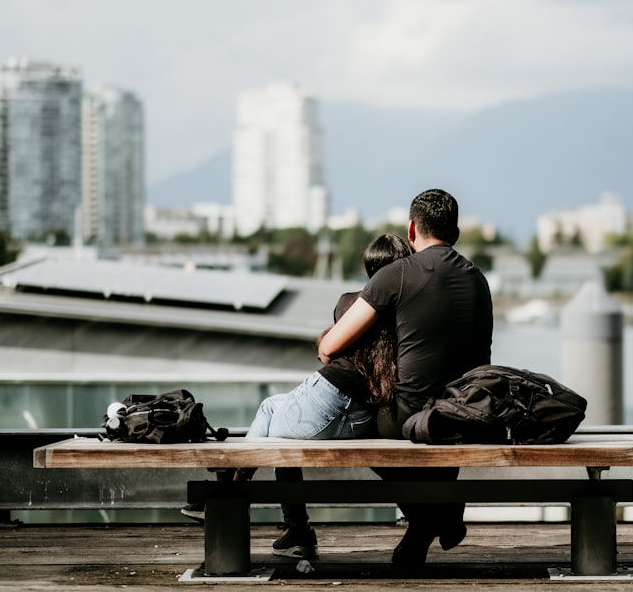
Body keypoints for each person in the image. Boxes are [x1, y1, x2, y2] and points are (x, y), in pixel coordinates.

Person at [183, 233, 413, 560]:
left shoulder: (351, 303)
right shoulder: (409, 317)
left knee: (268, 409)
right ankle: (295, 530)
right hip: (365, 416)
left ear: (370, 268)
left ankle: (227, 497)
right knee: (279, 433)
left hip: (330, 397)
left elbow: (329, 353)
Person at [318, 188, 494, 567]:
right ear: (456, 232)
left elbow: (331, 346)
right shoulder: (478, 280)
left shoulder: (395, 275)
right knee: (438, 425)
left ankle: (431, 515)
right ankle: (432, 517)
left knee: (365, 423)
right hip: (467, 414)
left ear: (412, 229)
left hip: (408, 417)